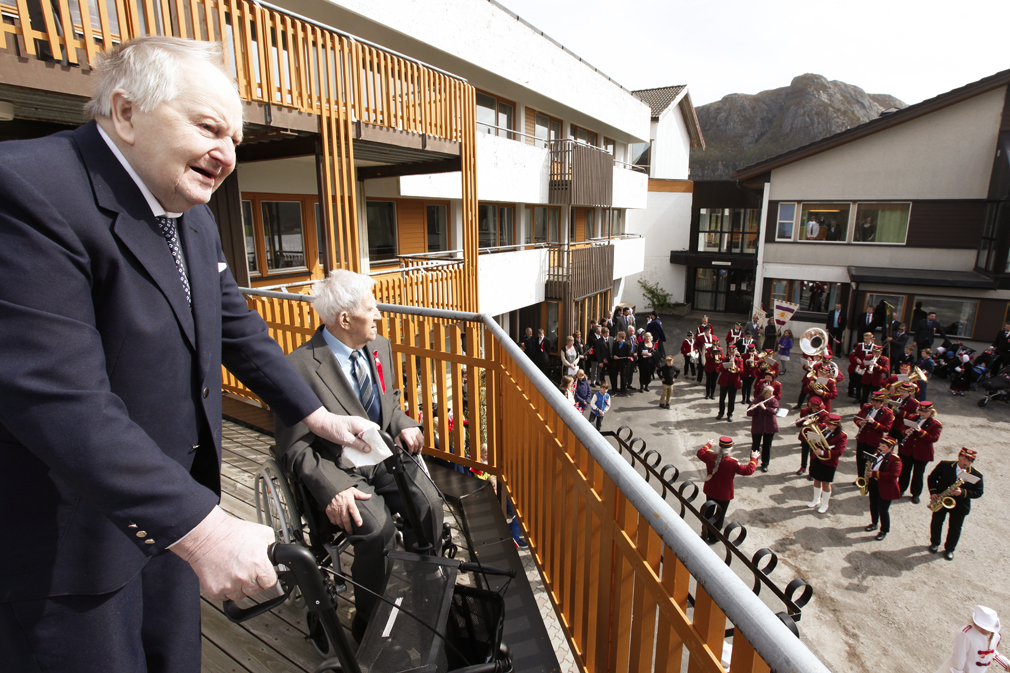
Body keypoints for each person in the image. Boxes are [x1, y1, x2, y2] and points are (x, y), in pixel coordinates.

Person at [0, 37, 380, 671]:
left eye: (235, 139)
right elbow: (56, 396)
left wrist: (317, 416)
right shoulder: (26, 190)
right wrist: (206, 531)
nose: (227, 154)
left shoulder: (190, 212)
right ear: (125, 112)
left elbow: (234, 327)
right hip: (73, 543)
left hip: (174, 518)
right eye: (209, 128)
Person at [274, 270, 443, 639]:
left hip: (381, 456)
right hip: (336, 468)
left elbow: (388, 404)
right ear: (345, 319)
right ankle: (369, 621)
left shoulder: (379, 347)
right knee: (377, 528)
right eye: (372, 307)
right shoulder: (298, 367)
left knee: (429, 501)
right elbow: (294, 448)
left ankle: (425, 580)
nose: (379, 314)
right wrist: (330, 488)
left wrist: (404, 423)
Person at [696, 438, 759, 544]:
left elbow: (700, 453)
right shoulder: (733, 462)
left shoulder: (710, 455)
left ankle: (705, 533)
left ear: (719, 447)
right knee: (719, 516)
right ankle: (713, 537)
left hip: (711, 489)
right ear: (731, 449)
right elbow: (748, 470)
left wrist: (708, 445)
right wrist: (754, 459)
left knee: (708, 512)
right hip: (724, 494)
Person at [928, 447, 984, 560]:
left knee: (955, 528)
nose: (965, 462)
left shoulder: (975, 474)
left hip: (960, 505)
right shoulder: (945, 465)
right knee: (937, 522)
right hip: (941, 499)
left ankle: (949, 549)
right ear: (959, 456)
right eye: (963, 459)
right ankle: (935, 543)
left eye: (969, 460)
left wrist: (962, 492)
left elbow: (979, 492)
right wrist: (933, 492)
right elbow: (932, 478)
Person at [934, 605, 1006, 673]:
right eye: (982, 626)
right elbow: (959, 657)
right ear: (974, 621)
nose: (985, 630)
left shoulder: (995, 636)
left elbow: (990, 652)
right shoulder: (966, 634)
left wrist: (1006, 664)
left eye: (987, 628)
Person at [896, 401, 941, 503]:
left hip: (922, 452)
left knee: (918, 473)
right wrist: (905, 432)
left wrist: (920, 431)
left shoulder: (935, 424)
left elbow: (933, 438)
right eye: (921, 410)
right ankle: (900, 490)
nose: (922, 413)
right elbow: (902, 427)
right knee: (904, 471)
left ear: (931, 412)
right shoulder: (912, 418)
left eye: (925, 411)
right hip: (908, 450)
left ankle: (916, 494)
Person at [806, 413, 847, 513]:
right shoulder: (824, 429)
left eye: (829, 424)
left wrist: (823, 452)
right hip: (817, 458)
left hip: (828, 462)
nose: (826, 425)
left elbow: (839, 452)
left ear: (835, 425)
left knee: (825, 483)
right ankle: (816, 499)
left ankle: (825, 504)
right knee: (816, 479)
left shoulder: (842, 435)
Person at [864, 436, 902, 540]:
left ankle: (884, 530)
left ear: (890, 448)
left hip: (886, 487)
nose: (880, 447)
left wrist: (874, 474)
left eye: (883, 446)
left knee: (883, 510)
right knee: (873, 505)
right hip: (875, 484)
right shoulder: (878, 452)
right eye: (880, 445)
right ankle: (874, 523)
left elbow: (894, 475)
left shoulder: (895, 459)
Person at [853, 391, 894, 482]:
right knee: (860, 460)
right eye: (872, 400)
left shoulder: (888, 413)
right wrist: (860, 422)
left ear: (881, 402)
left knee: (871, 462)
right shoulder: (866, 407)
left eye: (875, 401)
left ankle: (870, 480)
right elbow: (856, 418)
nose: (873, 403)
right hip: (862, 438)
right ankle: (861, 478)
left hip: (874, 441)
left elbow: (887, 428)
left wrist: (874, 423)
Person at [747, 387, 779, 472]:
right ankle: (753, 463)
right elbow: (748, 413)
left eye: (772, 393)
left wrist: (765, 408)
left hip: (770, 427)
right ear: (765, 393)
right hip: (758, 426)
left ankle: (765, 464)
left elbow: (774, 411)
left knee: (767, 446)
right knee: (755, 446)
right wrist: (753, 409)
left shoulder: (774, 401)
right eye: (770, 393)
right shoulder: (756, 400)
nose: (771, 395)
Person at [795, 395, 827, 477]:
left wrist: (810, 421)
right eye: (816, 408)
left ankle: (812, 471)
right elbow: (800, 425)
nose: (818, 410)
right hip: (806, 435)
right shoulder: (805, 411)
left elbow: (823, 426)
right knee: (804, 452)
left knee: (813, 454)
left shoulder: (824, 414)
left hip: (815, 436)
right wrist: (799, 421)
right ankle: (803, 467)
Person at [716, 345, 743, 422]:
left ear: (735, 352)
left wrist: (735, 367)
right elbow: (719, 369)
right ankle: (721, 413)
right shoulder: (724, 359)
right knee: (722, 399)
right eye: (730, 352)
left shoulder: (739, 360)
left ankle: (730, 414)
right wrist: (726, 366)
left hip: (733, 382)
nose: (731, 353)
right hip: (724, 381)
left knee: (731, 399)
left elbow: (742, 371)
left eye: (733, 352)